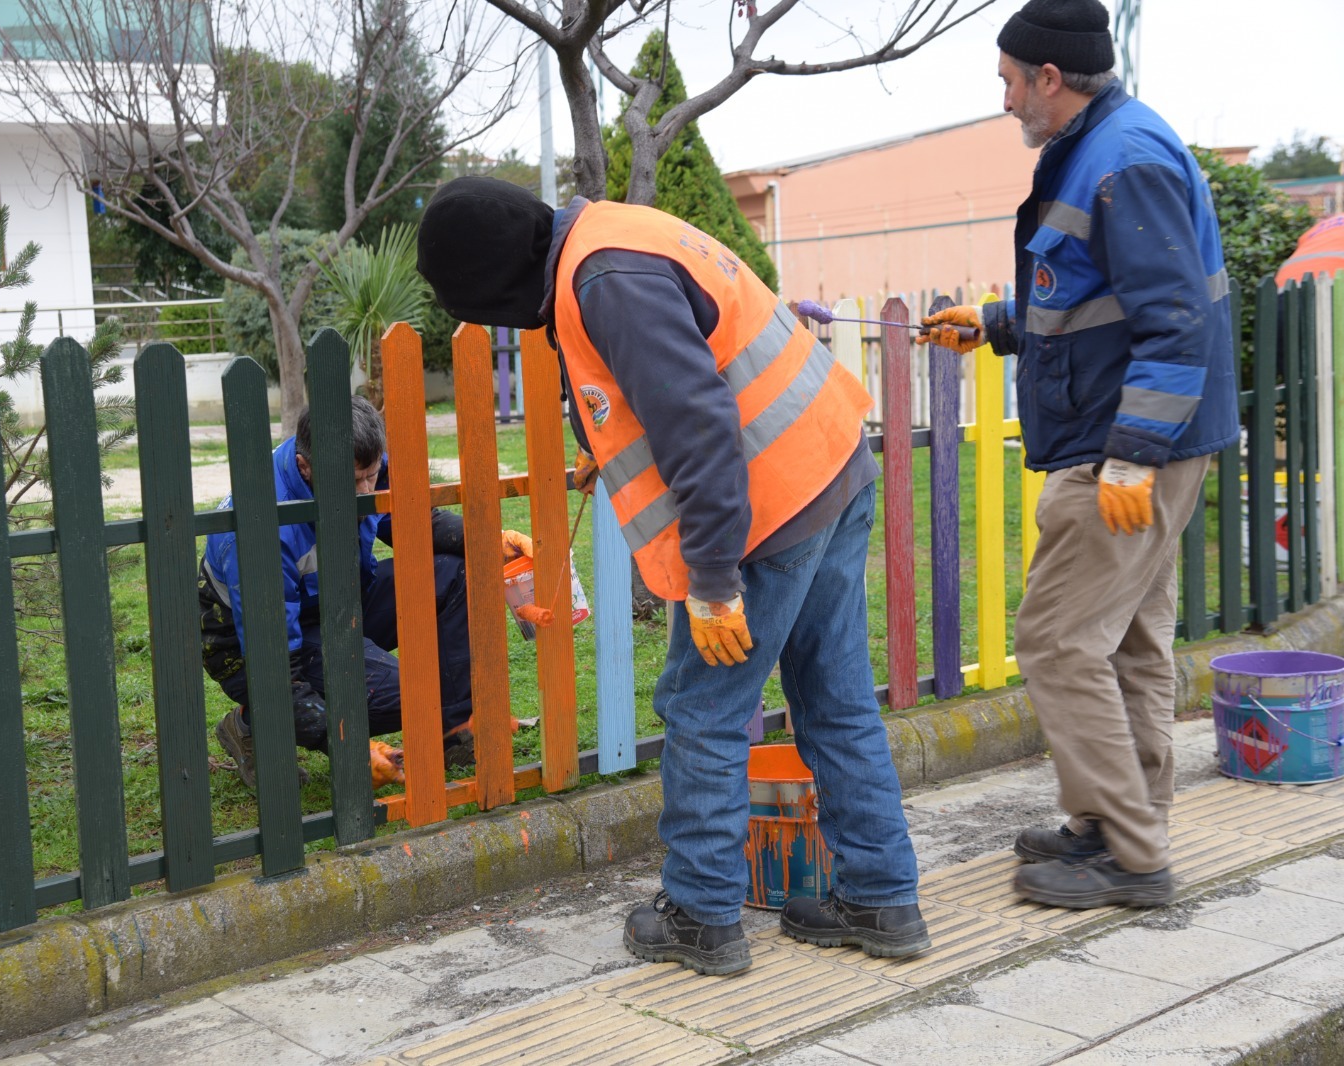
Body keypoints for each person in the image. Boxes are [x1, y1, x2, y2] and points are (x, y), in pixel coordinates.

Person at [416, 177, 929, 976]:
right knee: (836, 698)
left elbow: (700, 425)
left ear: (496, 285)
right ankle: (882, 899)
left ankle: (701, 914)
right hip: (829, 465)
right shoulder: (609, 237)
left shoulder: (604, 280)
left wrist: (715, 582)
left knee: (704, 711)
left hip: (766, 511)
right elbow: (677, 372)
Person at [917, 0, 1238, 908]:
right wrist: (996, 323)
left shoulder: (1123, 161)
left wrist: (1131, 455)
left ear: (1049, 78)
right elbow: (1101, 297)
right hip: (1141, 437)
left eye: (1009, 82)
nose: (1005, 100)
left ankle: (1131, 855)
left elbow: (1174, 322)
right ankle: (1119, 822)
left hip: (1125, 449)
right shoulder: (1103, 147)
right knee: (1125, 640)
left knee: (1057, 640)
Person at [199, 396, 532, 789]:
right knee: (414, 696)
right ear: (305, 466)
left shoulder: (358, 458)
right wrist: (349, 748)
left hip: (338, 601)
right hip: (250, 645)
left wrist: (489, 540)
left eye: (371, 476)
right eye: (353, 482)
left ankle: (454, 734)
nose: (366, 490)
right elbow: (276, 668)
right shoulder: (261, 532)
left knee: (455, 573)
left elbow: (412, 520)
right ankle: (251, 725)